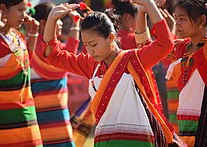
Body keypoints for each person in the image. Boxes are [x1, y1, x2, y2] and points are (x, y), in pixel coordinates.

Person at [42, 1, 182, 147]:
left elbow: (165, 43)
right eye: (86, 45)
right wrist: (52, 19)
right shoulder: (91, 65)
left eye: (94, 44)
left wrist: (149, 4)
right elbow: (54, 56)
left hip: (138, 140)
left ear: (110, 38)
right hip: (105, 141)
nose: (90, 50)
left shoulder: (134, 60)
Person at [136, 0, 207, 146]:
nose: (178, 23)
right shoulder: (183, 48)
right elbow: (146, 47)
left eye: (182, 19)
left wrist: (150, 6)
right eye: (176, 19)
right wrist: (142, 12)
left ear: (202, 20)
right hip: (185, 129)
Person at [0, 0, 43, 146]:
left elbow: (25, 65)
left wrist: (33, 32)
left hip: (27, 117)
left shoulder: (18, 36)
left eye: (25, 11)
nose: (24, 16)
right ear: (3, 8)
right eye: (20, 10)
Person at [29, 2, 80, 147]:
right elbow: (70, 54)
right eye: (58, 20)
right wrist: (76, 24)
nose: (62, 24)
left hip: (40, 116)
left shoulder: (32, 44)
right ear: (45, 23)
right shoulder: (43, 47)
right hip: (56, 117)